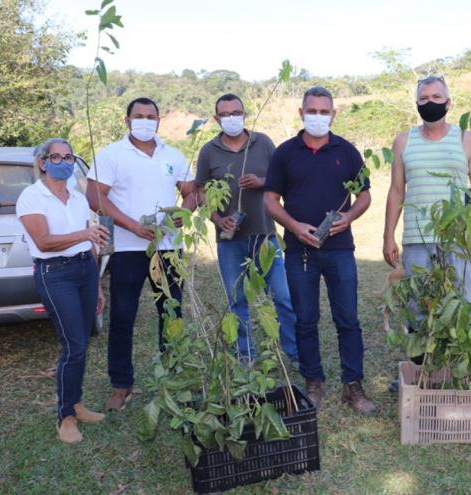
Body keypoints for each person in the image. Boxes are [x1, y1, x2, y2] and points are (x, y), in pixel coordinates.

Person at [264, 86, 375, 415]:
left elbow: (365, 194)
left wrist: (349, 216)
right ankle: (313, 382)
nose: (318, 116)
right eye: (311, 110)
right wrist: (295, 226)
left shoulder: (347, 151)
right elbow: (270, 200)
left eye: (324, 111)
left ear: (333, 114)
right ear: (301, 113)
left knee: (348, 319)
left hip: (340, 250)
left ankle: (352, 385)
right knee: (305, 319)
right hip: (300, 250)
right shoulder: (285, 153)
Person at [86, 97, 196, 411]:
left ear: (159, 121)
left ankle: (172, 378)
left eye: (151, 116)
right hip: (127, 250)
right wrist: (133, 226)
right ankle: (121, 384)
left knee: (171, 314)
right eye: (139, 116)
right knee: (123, 316)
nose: (145, 121)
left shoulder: (172, 155)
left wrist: (181, 215)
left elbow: (192, 192)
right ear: (127, 120)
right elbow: (95, 197)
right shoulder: (111, 155)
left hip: (168, 248)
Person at [382, 75, 471, 393]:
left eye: (436, 97)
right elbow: (397, 190)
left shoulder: (465, 138)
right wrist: (388, 235)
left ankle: (458, 372)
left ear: (448, 102)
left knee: (459, 303)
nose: (430, 103)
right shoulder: (403, 141)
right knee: (417, 306)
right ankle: (421, 374)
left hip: (455, 238)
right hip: (416, 237)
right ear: (416, 103)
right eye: (424, 98)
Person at [195, 94, 299, 367]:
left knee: (283, 296)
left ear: (245, 113)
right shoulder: (208, 151)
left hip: (264, 236)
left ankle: (294, 351)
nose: (232, 118)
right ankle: (246, 353)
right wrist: (217, 219)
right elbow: (201, 191)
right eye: (225, 114)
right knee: (237, 299)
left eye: (236, 112)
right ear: (217, 119)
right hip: (230, 241)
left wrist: (261, 181)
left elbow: (283, 180)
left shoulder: (262, 142)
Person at [17, 138, 109, 443]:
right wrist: (84, 233)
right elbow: (43, 241)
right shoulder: (32, 197)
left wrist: (97, 285)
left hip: (84, 269)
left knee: (82, 342)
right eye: (56, 157)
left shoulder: (78, 197)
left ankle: (77, 403)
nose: (64, 162)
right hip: (55, 274)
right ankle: (65, 416)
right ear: (43, 163)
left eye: (68, 157)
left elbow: (90, 244)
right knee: (74, 345)